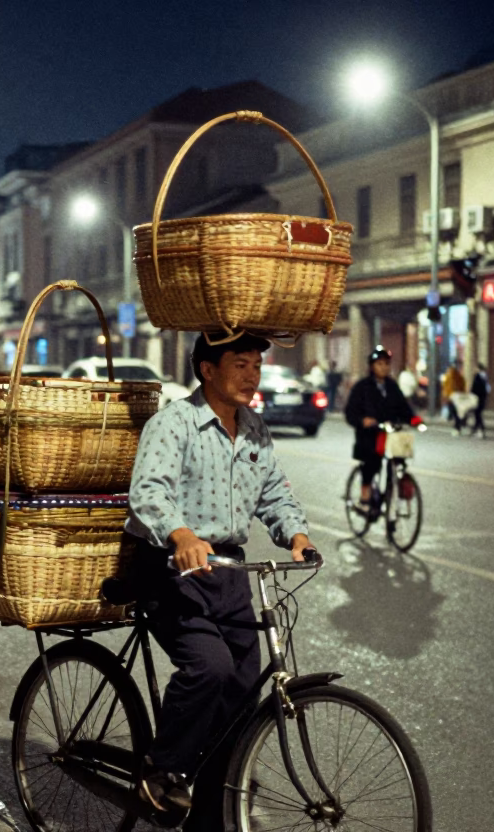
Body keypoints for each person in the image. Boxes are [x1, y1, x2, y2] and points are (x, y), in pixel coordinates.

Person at [126, 332, 314, 826]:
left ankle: (211, 799)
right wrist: (181, 534)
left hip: (228, 570)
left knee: (244, 684)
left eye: (256, 365)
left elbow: (274, 493)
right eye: (240, 364)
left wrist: (295, 534)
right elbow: (149, 492)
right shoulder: (174, 423)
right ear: (208, 369)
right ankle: (161, 769)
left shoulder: (254, 428)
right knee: (209, 668)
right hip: (172, 566)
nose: (252, 376)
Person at [344, 346, 415, 514]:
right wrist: (363, 421)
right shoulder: (362, 387)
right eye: (380, 364)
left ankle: (393, 496)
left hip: (390, 434)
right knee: (371, 464)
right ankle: (364, 499)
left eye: (387, 364)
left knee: (399, 462)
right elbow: (350, 412)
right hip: (369, 436)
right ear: (372, 366)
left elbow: (404, 408)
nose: (384, 367)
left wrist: (414, 419)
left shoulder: (392, 386)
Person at [442, 360, 467, 435]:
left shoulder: (454, 375)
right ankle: (458, 426)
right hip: (454, 397)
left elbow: (448, 386)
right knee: (456, 412)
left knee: (456, 412)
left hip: (454, 397)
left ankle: (457, 426)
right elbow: (449, 386)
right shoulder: (453, 374)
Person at [470, 363, 491, 440]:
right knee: (477, 414)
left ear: (478, 368)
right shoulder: (485, 376)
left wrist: (472, 394)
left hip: (477, 398)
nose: (474, 369)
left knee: (477, 414)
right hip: (482, 398)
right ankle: (475, 429)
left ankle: (481, 430)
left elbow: (474, 388)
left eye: (475, 368)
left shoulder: (478, 376)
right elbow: (487, 388)